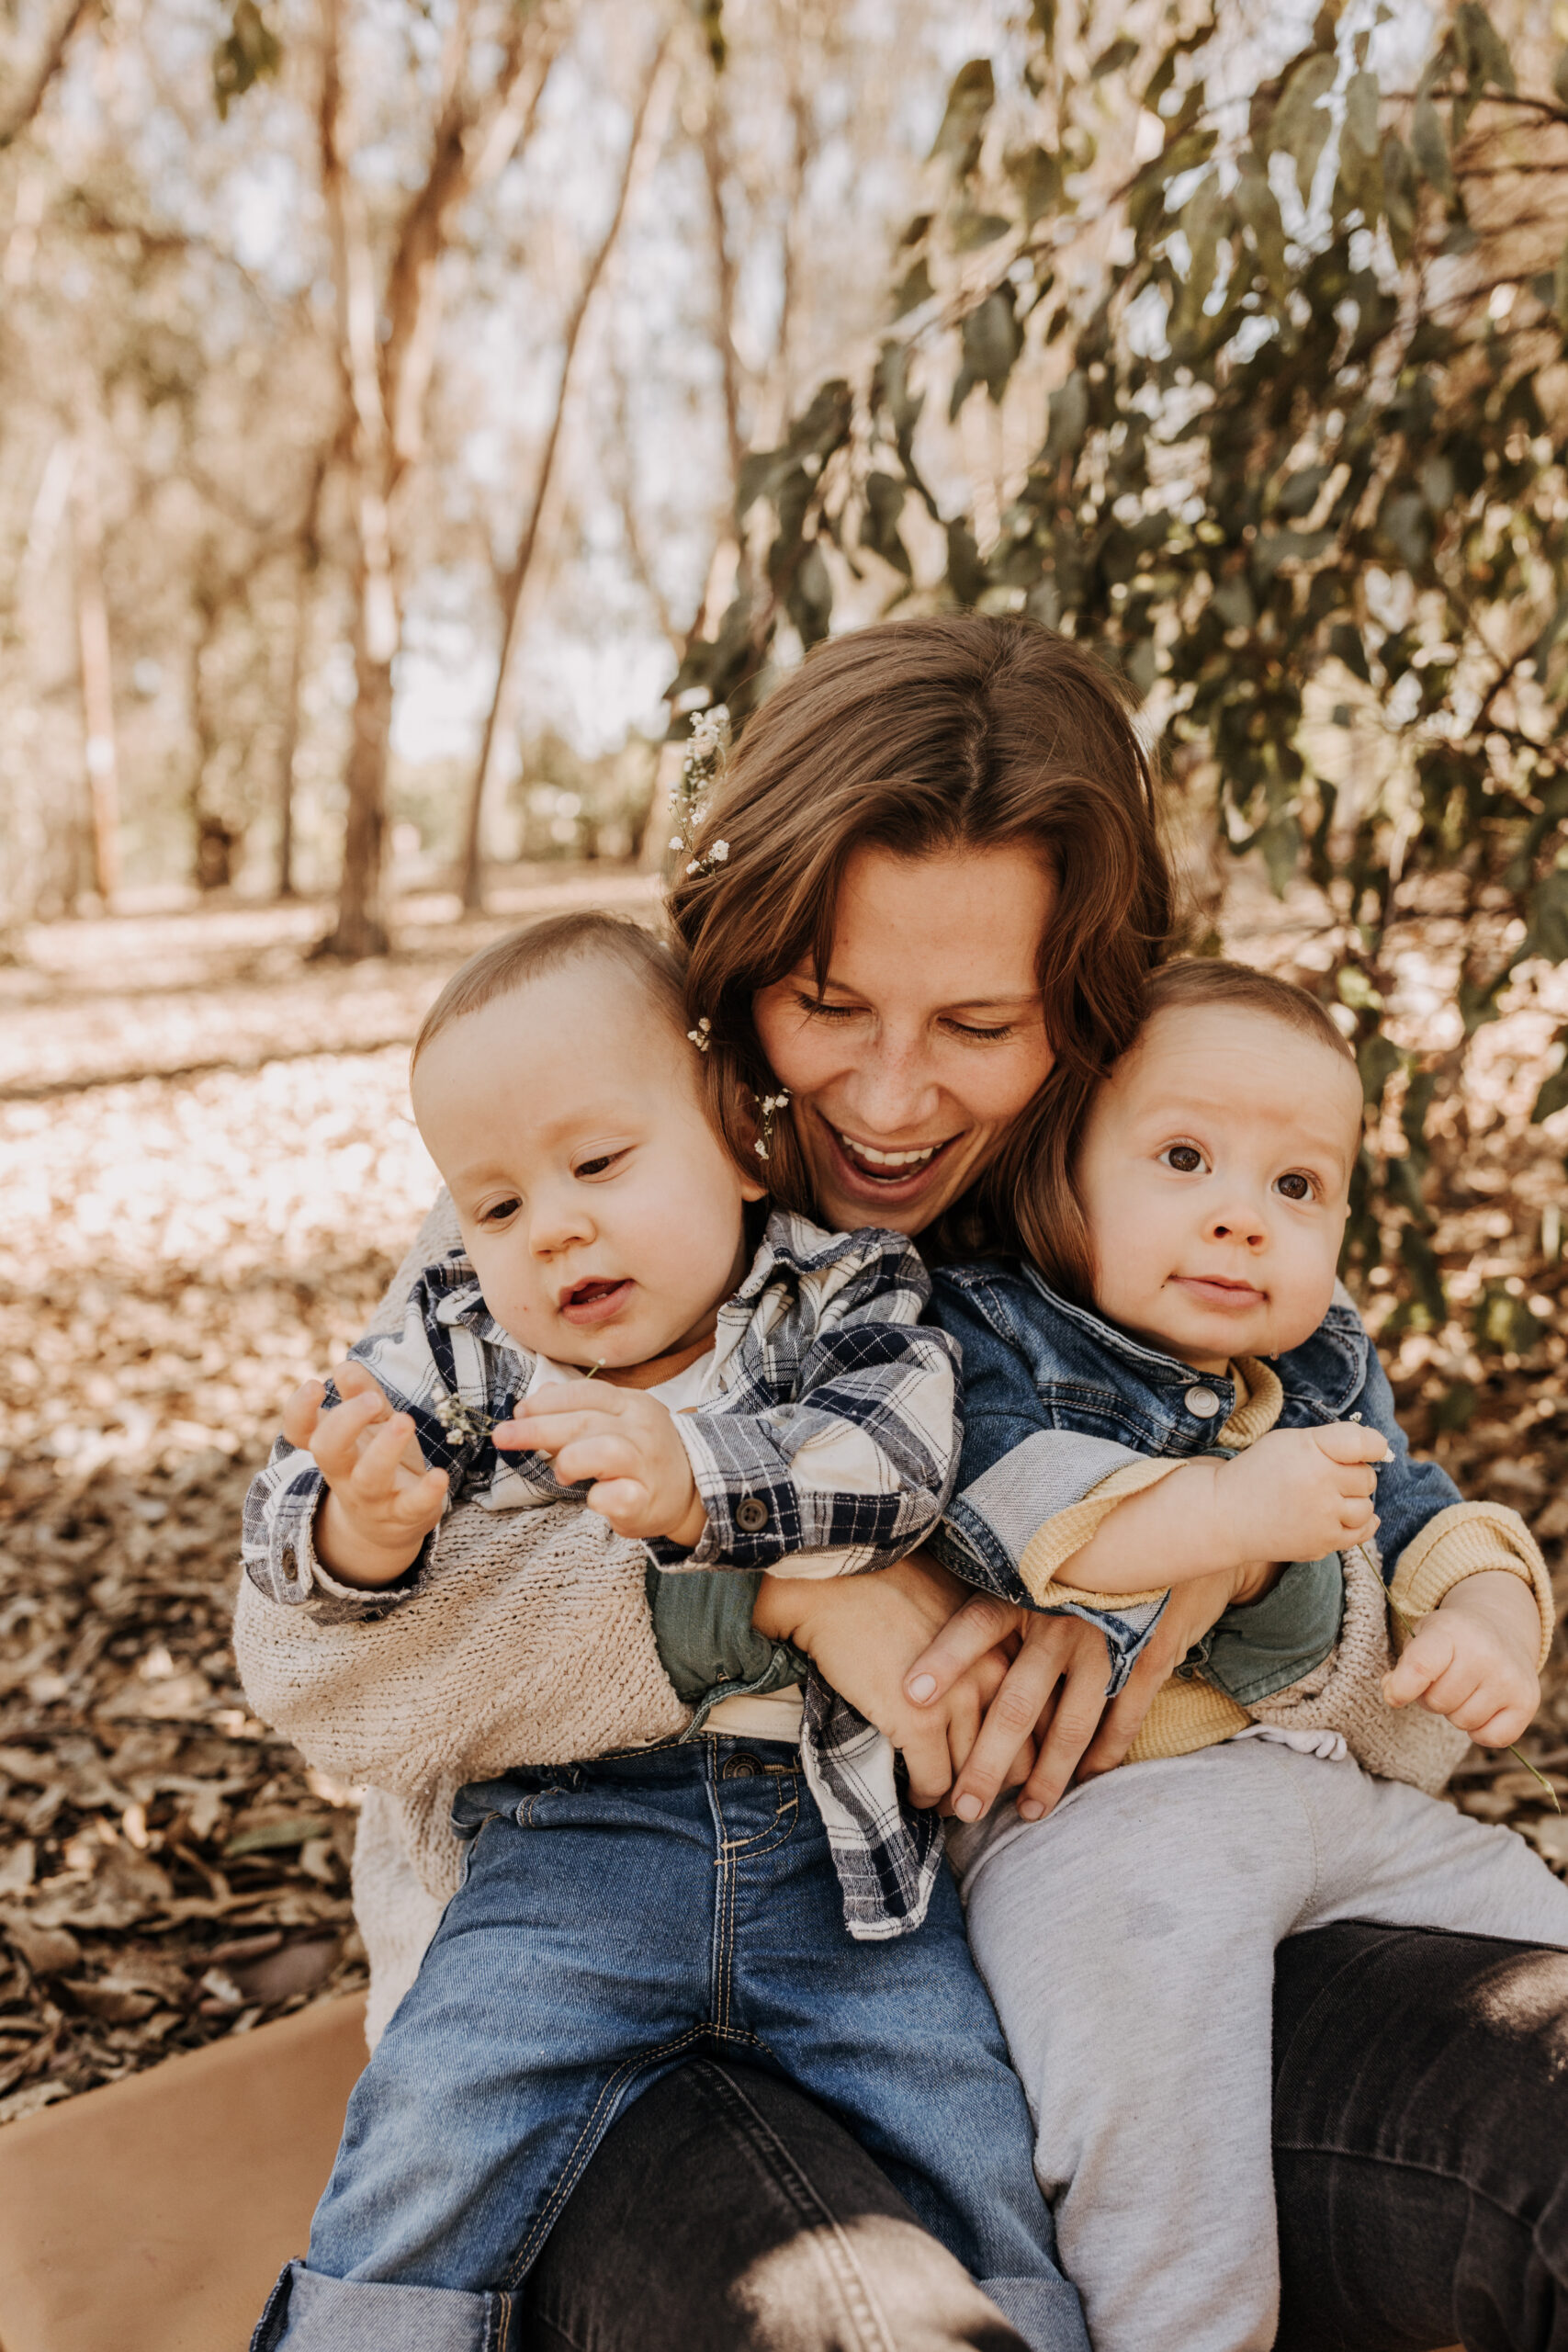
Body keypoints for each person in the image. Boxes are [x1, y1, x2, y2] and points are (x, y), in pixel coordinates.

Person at [240, 614, 1568, 2350]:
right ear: (736, 984)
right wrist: (777, 1586)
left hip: (1131, 2010)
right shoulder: (588, 1192)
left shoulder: (1170, 1221)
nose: (884, 1094)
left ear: (1084, 1023)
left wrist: (1175, 1584)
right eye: (827, 1001)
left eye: (978, 1022)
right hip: (635, 2006)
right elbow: (327, 1687)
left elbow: (1394, 1707)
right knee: (865, 2331)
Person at [242, 910, 1089, 2352]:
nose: (551, 1225)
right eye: (496, 1204)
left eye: (597, 1165)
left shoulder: (837, 1292)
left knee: (968, 2132)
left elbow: (897, 1462)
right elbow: (295, 1537)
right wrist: (354, 1530)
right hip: (570, 1851)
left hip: (842, 1860)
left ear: (738, 1140)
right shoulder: (469, 1340)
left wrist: (707, 1484)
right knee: (441, 2115)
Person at [916, 954, 1567, 2350]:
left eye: (1297, 1187)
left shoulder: (1320, 1355)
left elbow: (1413, 1509)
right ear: (1065, 1172)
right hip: (1101, 1824)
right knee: (1155, 2119)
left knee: (1531, 1911)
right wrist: (1222, 1515)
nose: (1241, 1219)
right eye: (1186, 1156)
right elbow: (1005, 1514)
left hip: (1324, 1795)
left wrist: (1487, 1619)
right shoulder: (997, 1325)